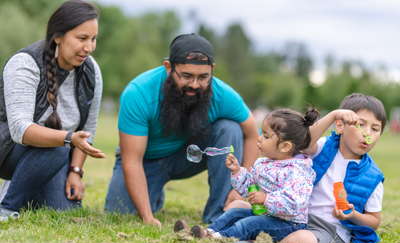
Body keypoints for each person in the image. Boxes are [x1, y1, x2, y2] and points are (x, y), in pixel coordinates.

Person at [104, 33, 260, 226]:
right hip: (145, 160)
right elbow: (132, 160)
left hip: (188, 154)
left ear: (212, 70)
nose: (194, 85)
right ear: (169, 68)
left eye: (203, 77)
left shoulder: (224, 95)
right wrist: (148, 217)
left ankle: (219, 216)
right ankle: (154, 192)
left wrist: (241, 188)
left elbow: (253, 134)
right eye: (186, 76)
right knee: (118, 212)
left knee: (230, 129)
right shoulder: (138, 93)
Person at [0, 0, 104, 221]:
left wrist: (75, 172)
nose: (89, 47)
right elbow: (20, 130)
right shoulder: (25, 63)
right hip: (7, 149)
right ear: (58, 36)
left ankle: (26, 186)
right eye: (82, 38)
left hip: (52, 154)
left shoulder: (92, 71)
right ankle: (7, 208)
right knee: (61, 144)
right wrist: (68, 138)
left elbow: (88, 128)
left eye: (93, 39)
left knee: (64, 212)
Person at [174, 107, 319, 242]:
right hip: (267, 216)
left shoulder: (298, 172)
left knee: (250, 223)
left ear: (285, 146)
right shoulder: (265, 164)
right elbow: (249, 188)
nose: (260, 138)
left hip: (288, 224)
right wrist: (237, 171)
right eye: (262, 133)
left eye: (266, 136)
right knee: (234, 213)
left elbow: (294, 205)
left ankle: (219, 239)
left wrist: (266, 199)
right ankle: (207, 232)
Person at [280, 93, 386, 243]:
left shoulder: (372, 177)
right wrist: (333, 115)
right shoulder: (324, 147)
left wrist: (353, 215)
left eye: (375, 129)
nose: (368, 133)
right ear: (340, 126)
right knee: (243, 208)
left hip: (331, 230)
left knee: (301, 240)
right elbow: (304, 144)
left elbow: (374, 222)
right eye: (361, 125)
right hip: (297, 217)